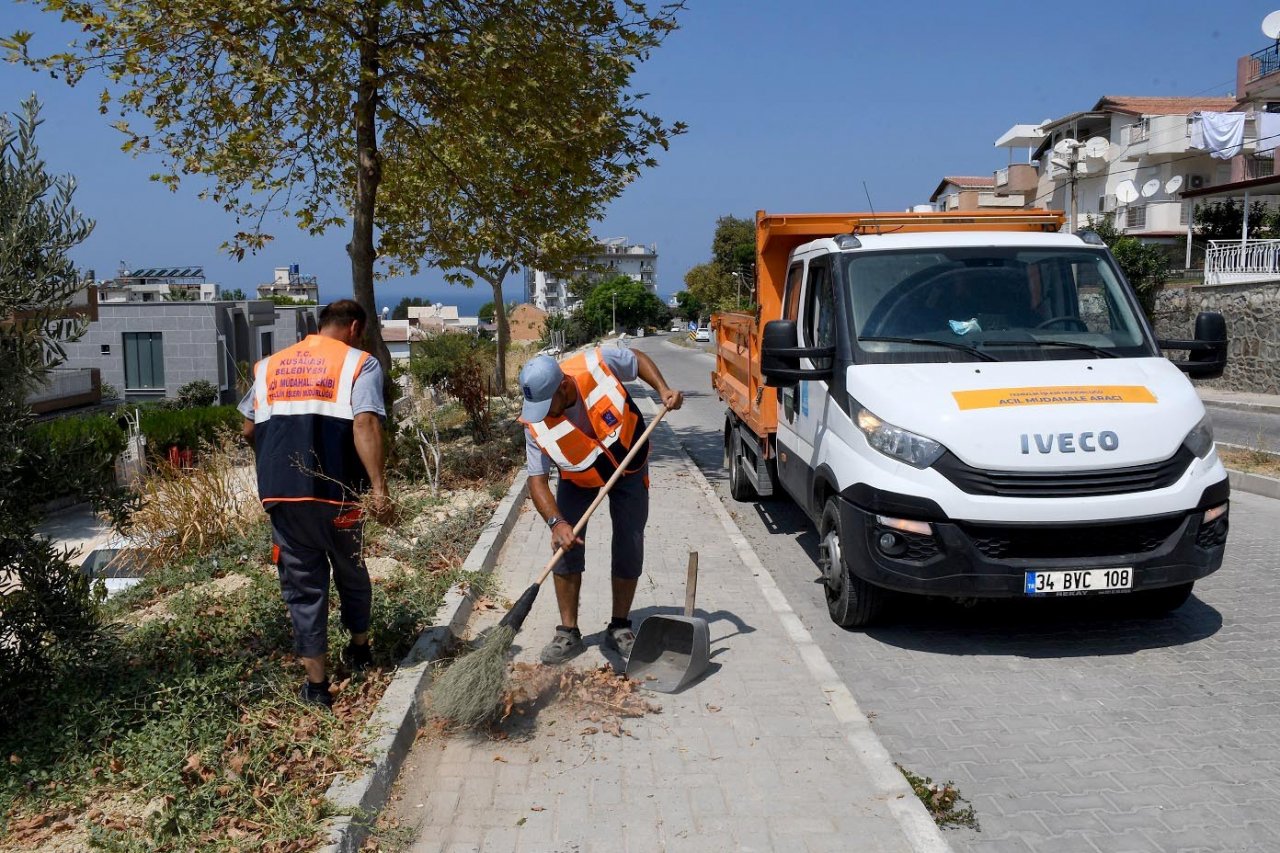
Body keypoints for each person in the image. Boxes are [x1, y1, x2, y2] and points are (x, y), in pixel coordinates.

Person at [239, 299, 393, 708]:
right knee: (351, 570)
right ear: (355, 327)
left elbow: (248, 427)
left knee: (304, 589)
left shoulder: (269, 366)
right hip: (339, 494)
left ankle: (317, 687)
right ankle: (359, 648)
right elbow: (365, 422)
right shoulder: (360, 363)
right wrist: (379, 488)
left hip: (283, 498)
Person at [518, 346, 683, 664]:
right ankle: (568, 633)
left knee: (629, 543)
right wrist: (557, 523)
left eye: (545, 404)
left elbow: (637, 358)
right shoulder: (535, 423)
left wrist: (663, 390)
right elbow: (536, 481)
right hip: (578, 479)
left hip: (629, 468)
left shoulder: (595, 363)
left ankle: (620, 627)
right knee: (564, 548)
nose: (539, 413)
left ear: (563, 386)